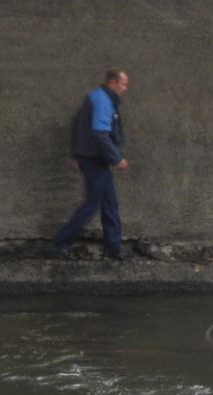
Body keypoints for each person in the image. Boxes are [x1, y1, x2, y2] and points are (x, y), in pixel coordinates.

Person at [54, 69, 130, 259]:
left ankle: (113, 248)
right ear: (112, 83)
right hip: (94, 159)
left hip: (92, 158)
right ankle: (61, 242)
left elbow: (77, 123)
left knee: (109, 203)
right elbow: (100, 134)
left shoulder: (96, 96)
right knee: (93, 203)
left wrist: (75, 154)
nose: (125, 88)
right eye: (123, 84)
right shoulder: (103, 101)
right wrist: (116, 158)